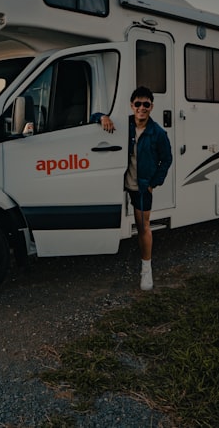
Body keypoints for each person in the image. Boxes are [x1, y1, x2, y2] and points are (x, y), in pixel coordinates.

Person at [93, 86, 172, 290]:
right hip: (118, 182)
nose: (142, 108)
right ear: (132, 105)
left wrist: (154, 183)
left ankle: (146, 270)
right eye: (138, 104)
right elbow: (93, 114)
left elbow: (167, 159)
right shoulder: (123, 123)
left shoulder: (158, 133)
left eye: (146, 104)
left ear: (152, 107)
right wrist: (102, 117)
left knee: (143, 227)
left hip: (142, 186)